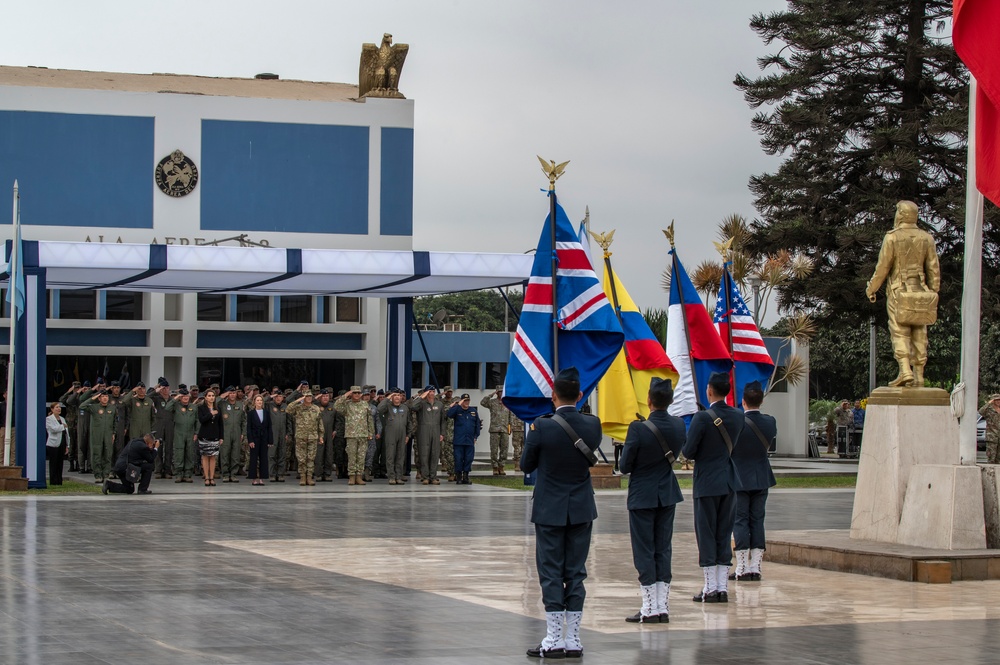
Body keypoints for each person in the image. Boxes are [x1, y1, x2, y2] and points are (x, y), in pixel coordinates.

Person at [521, 367, 601, 659]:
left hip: (549, 508)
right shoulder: (593, 425)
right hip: (581, 507)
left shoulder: (542, 427)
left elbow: (526, 466)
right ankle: (574, 638)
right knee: (576, 572)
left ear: (552, 395)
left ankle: (554, 637)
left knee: (551, 572)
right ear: (580, 395)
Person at [620, 378, 684, 624]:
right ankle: (662, 605)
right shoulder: (679, 425)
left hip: (642, 495)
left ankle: (649, 606)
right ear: (671, 401)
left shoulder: (638, 428)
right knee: (663, 547)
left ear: (649, 400)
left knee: (644, 550)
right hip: (667, 492)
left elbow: (625, 466)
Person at [681, 371, 743, 603]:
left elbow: (688, 451)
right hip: (728, 479)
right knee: (724, 533)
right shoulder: (738, 416)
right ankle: (722, 587)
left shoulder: (702, 418)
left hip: (707, 481)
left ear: (709, 390)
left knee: (706, 534)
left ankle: (710, 587)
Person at [865, 200, 941, 387]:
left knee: (899, 331)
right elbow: (934, 268)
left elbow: (882, 267)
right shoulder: (926, 238)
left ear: (900, 214)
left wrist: (872, 288)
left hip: (899, 291)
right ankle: (919, 375)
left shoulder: (892, 237)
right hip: (922, 291)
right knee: (920, 331)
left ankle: (905, 370)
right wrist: (933, 291)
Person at [729, 381, 777, 582]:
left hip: (740, 476)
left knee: (740, 521)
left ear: (743, 401)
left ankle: (741, 566)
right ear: (761, 400)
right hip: (761, 476)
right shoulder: (770, 421)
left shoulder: (736, 421)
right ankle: (756, 566)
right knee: (758, 520)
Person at [334, 386, 375, 486]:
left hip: (363, 434)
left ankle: (359, 477)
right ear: (351, 394)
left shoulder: (365, 405)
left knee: (361, 457)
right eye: (354, 393)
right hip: (351, 435)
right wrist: (346, 395)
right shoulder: (347, 405)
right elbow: (336, 406)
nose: (357, 395)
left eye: (358, 393)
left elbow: (369, 419)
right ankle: (352, 476)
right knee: (352, 456)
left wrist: (371, 433)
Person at [286, 390, 325, 486]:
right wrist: (299, 400)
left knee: (311, 458)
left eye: (310, 396)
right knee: (301, 458)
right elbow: (288, 409)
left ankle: (309, 477)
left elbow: (320, 422)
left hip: (312, 436)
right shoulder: (298, 408)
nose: (308, 398)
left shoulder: (316, 408)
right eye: (306, 396)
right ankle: (303, 476)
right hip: (301, 437)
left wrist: (321, 436)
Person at [409, 385, 446, 485]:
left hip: (436, 430)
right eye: (430, 391)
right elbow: (412, 407)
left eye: (433, 391)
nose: (432, 393)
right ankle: (425, 476)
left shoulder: (439, 404)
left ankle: (433, 476)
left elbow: (443, 420)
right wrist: (421, 397)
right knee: (424, 454)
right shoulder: (421, 403)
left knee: (435, 454)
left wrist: (442, 433)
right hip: (423, 431)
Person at [80, 388, 116, 483]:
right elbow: (82, 406)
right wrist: (93, 398)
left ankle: (106, 474)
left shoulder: (112, 408)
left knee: (108, 455)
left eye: (106, 396)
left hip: (108, 434)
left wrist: (114, 433)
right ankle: (98, 475)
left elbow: (115, 421)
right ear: (99, 398)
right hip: (97, 434)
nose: (105, 398)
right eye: (102, 396)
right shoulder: (94, 407)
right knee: (97, 454)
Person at [164, 388, 199, 483]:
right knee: (179, 453)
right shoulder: (176, 406)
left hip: (190, 433)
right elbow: (167, 408)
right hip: (179, 432)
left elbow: (197, 421)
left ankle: (187, 474)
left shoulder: (194, 407)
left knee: (189, 453)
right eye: (183, 396)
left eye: (187, 396)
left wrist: (196, 433)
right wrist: (176, 398)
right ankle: (179, 474)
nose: (185, 398)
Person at [377, 388, 411, 485]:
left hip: (402, 435)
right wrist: (388, 398)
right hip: (390, 434)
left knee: (400, 457)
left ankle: (398, 477)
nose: (397, 397)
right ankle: (391, 477)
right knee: (390, 456)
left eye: (399, 395)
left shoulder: (405, 408)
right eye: (395, 395)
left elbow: (409, 422)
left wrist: (408, 435)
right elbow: (379, 409)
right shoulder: (387, 406)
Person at [447, 393, 481, 485]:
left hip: (469, 440)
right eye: (464, 401)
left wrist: (475, 436)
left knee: (468, 459)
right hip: (459, 440)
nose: (466, 402)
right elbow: (449, 414)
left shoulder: (473, 411)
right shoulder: (457, 410)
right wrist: (457, 405)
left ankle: (466, 476)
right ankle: (458, 476)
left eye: (468, 400)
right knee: (458, 458)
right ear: (461, 401)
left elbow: (477, 425)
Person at [219, 387, 246, 483]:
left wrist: (243, 433)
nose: (232, 395)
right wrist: (223, 395)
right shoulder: (222, 404)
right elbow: (214, 402)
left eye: (234, 393)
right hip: (226, 432)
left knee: (235, 454)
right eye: (230, 393)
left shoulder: (240, 404)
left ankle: (233, 474)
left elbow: (244, 420)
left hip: (237, 432)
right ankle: (225, 474)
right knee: (225, 453)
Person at [196, 389, 223, 486]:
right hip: (204, 435)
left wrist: (221, 437)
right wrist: (210, 413)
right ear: (206, 397)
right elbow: (202, 420)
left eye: (213, 396)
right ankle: (206, 477)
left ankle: (212, 477)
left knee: (213, 457)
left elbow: (221, 424)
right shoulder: (201, 408)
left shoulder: (218, 408)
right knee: (205, 456)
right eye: (209, 396)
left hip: (215, 435)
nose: (211, 397)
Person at [481, 387, 510, 475]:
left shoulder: (507, 402)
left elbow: (511, 415)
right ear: (497, 393)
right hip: (494, 429)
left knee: (504, 449)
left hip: (504, 429)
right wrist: (490, 395)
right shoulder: (492, 402)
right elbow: (483, 403)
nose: (501, 393)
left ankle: (501, 466)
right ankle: (495, 467)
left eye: (502, 391)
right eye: (499, 392)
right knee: (494, 450)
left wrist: (510, 426)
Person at [247, 394, 272, 485]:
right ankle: (253, 478)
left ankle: (262, 478)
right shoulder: (251, 413)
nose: (259, 402)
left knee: (264, 458)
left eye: (260, 400)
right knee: (253, 458)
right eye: (257, 400)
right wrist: (250, 440)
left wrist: (270, 440)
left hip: (264, 438)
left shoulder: (266, 413)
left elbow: (269, 427)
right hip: (254, 438)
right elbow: (248, 428)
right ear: (254, 402)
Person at [45, 402, 70, 486]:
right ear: (52, 409)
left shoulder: (62, 418)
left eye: (59, 407)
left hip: (62, 441)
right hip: (53, 443)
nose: (59, 409)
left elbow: (66, 432)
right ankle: (53, 480)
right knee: (54, 462)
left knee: (60, 462)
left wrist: (67, 445)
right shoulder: (49, 419)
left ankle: (59, 480)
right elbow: (53, 429)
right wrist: (62, 426)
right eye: (56, 407)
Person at [268, 390, 289, 482]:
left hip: (283, 433)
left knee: (282, 454)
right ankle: (272, 474)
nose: (278, 398)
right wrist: (271, 396)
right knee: (271, 454)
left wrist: (288, 433)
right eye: (276, 396)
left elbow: (289, 421)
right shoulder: (269, 405)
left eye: (280, 396)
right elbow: (262, 400)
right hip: (272, 434)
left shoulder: (285, 406)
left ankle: (280, 474)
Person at [980, 394, 1000, 465]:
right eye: (996, 400)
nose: (998, 401)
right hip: (992, 437)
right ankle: (990, 474)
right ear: (993, 401)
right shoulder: (989, 410)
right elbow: (981, 412)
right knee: (991, 458)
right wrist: (988, 403)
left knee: (998, 459)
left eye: (999, 400)